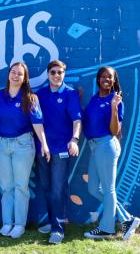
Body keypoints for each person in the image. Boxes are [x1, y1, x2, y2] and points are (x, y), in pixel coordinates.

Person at [0, 62, 50, 239]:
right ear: (8, 75)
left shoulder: (30, 98)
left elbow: (38, 123)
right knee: (6, 186)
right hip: (1, 144)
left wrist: (44, 144)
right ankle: (7, 223)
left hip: (23, 144)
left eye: (20, 74)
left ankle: (19, 225)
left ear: (24, 78)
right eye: (13, 72)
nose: (16, 76)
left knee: (21, 186)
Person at [83, 66, 140, 240]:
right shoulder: (94, 99)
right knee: (93, 188)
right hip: (94, 147)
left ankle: (107, 228)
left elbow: (115, 131)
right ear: (98, 79)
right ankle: (126, 218)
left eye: (110, 77)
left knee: (108, 189)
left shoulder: (115, 100)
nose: (106, 79)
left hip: (107, 145)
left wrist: (114, 108)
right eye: (103, 77)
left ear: (114, 80)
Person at [35, 60, 82, 244]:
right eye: (53, 72)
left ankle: (58, 229)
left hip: (62, 149)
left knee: (57, 189)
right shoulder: (40, 95)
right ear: (48, 74)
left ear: (64, 74)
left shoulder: (70, 94)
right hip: (42, 149)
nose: (56, 75)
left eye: (60, 72)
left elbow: (77, 121)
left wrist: (74, 139)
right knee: (47, 188)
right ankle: (53, 220)